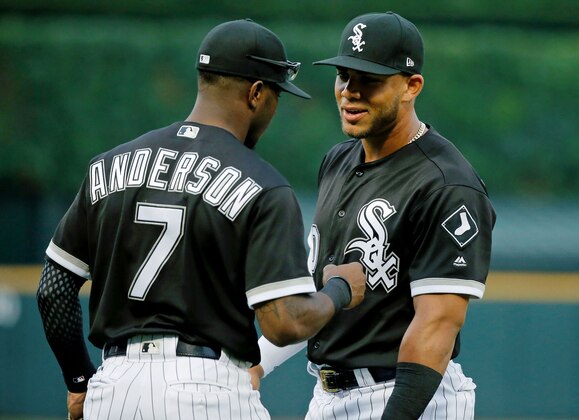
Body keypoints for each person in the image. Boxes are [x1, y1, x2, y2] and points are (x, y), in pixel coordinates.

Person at [36, 18, 366, 420]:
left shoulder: (108, 166)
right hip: (205, 388)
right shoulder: (261, 184)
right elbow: (283, 322)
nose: (275, 107)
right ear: (257, 93)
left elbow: (53, 289)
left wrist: (79, 382)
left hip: (113, 385)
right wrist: (338, 290)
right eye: (277, 94)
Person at [252, 11, 496, 419]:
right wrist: (257, 364)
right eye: (344, 76)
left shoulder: (447, 184)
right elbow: (320, 293)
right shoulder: (338, 160)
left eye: (370, 80)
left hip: (409, 395)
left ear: (411, 86)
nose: (351, 92)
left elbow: (437, 328)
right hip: (329, 394)